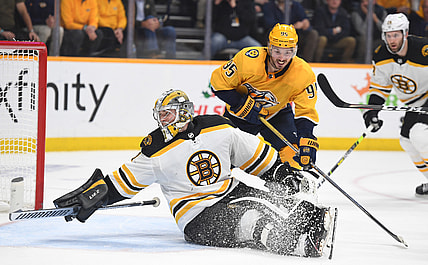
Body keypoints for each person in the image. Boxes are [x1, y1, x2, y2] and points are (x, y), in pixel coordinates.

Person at [52, 89, 337, 257]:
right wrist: (92, 196)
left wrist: (279, 171)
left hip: (228, 192)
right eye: (160, 115)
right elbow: (122, 181)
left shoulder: (217, 127)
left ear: (183, 113)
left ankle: (311, 221)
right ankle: (300, 243)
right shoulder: (155, 150)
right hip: (197, 217)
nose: (161, 120)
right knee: (252, 219)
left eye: (166, 114)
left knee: (275, 200)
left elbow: (252, 154)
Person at [210, 23, 319, 171]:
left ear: (295, 51)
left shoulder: (303, 73)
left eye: (288, 52)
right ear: (269, 47)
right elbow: (218, 85)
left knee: (293, 153)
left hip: (276, 114)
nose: (282, 58)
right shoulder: (248, 60)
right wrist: (241, 104)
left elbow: (306, 111)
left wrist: (306, 138)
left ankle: (291, 188)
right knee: (224, 159)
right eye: (277, 51)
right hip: (239, 116)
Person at [362, 13, 428, 197]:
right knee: (406, 140)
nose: (392, 40)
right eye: (389, 35)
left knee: (420, 134)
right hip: (415, 103)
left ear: (405, 34)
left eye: (396, 35)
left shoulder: (423, 49)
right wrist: (371, 114)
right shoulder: (381, 55)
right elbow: (379, 88)